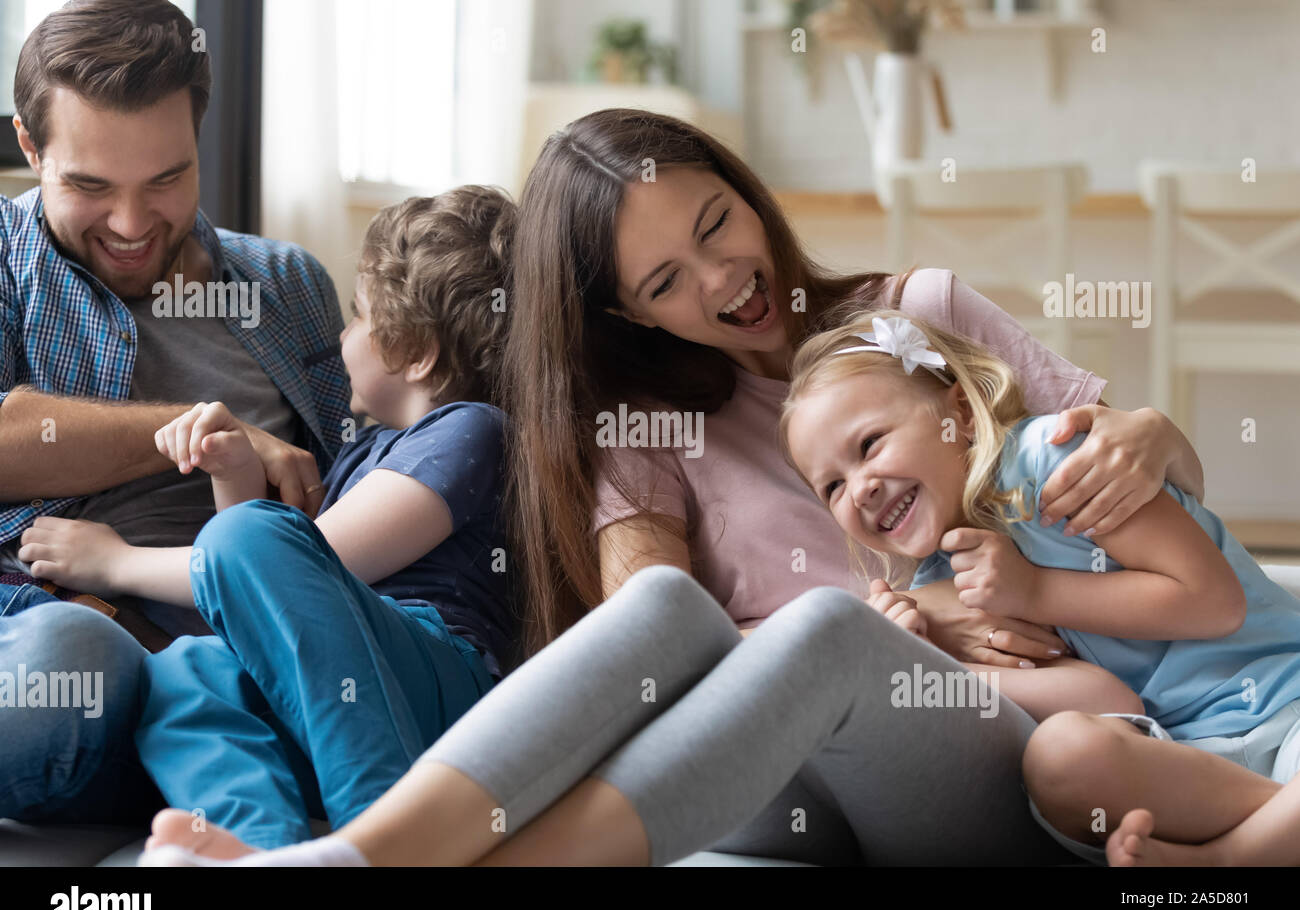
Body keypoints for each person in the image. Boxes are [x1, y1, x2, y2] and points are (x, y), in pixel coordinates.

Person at [138, 109, 1213, 868]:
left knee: (832, 632)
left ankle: (361, 864)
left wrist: (1154, 434)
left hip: (979, 748)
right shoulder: (642, 433)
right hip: (760, 777)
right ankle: (358, 855)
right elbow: (656, 645)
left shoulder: (916, 313)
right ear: (626, 315)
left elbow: (1164, 517)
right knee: (672, 606)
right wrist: (914, 609)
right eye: (663, 282)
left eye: (715, 225)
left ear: (741, 190)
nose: (722, 280)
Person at [23, 189, 519, 849]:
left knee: (248, 538)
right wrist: (234, 474)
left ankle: (384, 838)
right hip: (329, 694)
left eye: (358, 314)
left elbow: (326, 558)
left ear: (416, 351)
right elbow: (258, 592)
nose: (343, 336)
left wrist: (116, 561)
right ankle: (254, 848)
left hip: (436, 682)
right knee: (184, 672)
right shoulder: (363, 450)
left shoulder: (474, 430)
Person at [780, 309, 1300, 868]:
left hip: (1285, 703)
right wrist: (915, 662)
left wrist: (1032, 592)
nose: (858, 490)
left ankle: (1232, 860)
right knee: (1059, 759)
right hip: (1185, 765)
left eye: (869, 445)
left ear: (960, 412)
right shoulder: (946, 583)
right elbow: (1107, 702)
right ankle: (1278, 832)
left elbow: (1215, 604)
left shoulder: (1057, 464)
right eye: (831, 486)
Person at [0, 0, 349, 826]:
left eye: (166, 180)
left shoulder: (288, 288)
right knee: (67, 666)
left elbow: (354, 479)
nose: (130, 225)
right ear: (28, 145)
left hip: (253, 654)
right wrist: (203, 431)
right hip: (59, 631)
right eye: (90, 186)